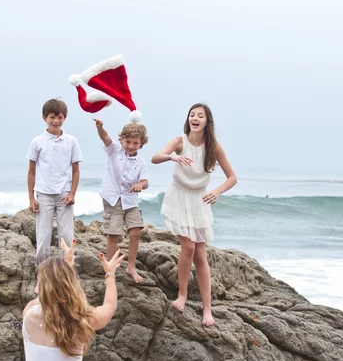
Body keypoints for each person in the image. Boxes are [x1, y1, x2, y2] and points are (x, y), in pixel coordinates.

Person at [12, 238, 126, 361]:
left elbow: (46, 301)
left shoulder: (29, 313)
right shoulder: (81, 319)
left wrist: (66, 265)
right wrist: (110, 274)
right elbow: (109, 306)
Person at [151, 103, 237, 326]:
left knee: (200, 255)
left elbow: (232, 178)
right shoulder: (180, 141)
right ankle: (182, 295)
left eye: (200, 116)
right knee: (188, 247)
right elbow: (156, 157)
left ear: (207, 121)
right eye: (192, 115)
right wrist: (172, 157)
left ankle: (208, 309)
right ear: (188, 119)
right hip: (179, 197)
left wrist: (217, 191)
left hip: (199, 200)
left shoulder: (213, 147)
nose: (195, 118)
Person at [27, 99, 83, 266]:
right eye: (52, 117)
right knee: (43, 238)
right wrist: (31, 198)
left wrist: (72, 193)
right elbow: (31, 172)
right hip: (44, 194)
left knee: (66, 238)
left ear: (64, 118)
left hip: (65, 195)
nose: (56, 121)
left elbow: (76, 170)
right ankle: (42, 275)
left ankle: (67, 274)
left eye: (60, 117)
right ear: (44, 117)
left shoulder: (72, 141)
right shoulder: (37, 142)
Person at [93, 119, 149, 283]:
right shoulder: (114, 151)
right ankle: (110, 268)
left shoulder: (141, 163)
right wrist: (101, 128)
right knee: (114, 234)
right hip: (112, 198)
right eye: (128, 141)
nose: (131, 145)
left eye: (135, 143)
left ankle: (131, 266)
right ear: (122, 140)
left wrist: (140, 185)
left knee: (136, 231)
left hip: (131, 200)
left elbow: (145, 182)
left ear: (141, 143)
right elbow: (105, 138)